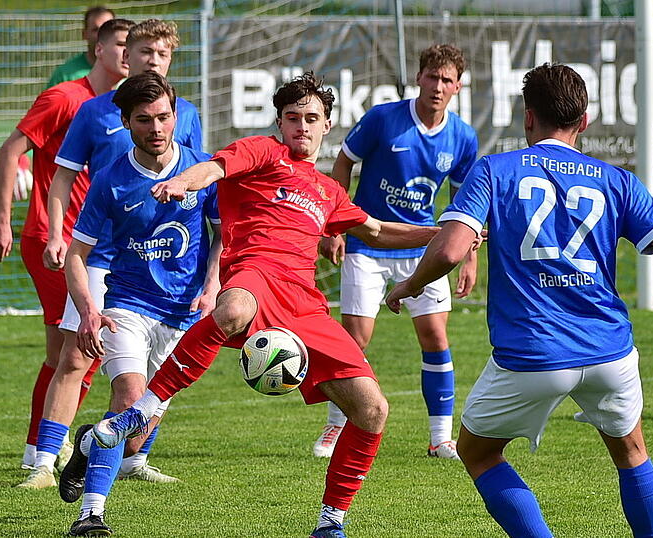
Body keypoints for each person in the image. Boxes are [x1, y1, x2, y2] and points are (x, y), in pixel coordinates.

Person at [385, 63, 653, 538]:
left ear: (528, 117)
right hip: (609, 351)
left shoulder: (495, 170)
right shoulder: (616, 180)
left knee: (477, 452)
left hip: (532, 354)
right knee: (631, 451)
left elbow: (452, 248)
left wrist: (408, 286)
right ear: (584, 120)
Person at [90, 72, 447, 538]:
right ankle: (140, 411)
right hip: (254, 276)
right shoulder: (262, 153)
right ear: (280, 122)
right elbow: (215, 168)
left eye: (311, 118)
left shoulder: (329, 191)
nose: (302, 126)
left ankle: (331, 522)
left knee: (373, 410)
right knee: (233, 308)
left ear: (327, 125)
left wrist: (445, 233)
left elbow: (376, 231)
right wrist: (185, 182)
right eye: (293, 118)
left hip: (305, 304)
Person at [18, 18, 203, 490]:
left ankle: (131, 459)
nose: (151, 60)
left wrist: (206, 275)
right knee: (77, 355)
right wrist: (58, 233)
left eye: (162, 54)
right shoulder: (93, 110)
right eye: (142, 51)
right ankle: (42, 461)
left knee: (162, 375)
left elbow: (198, 187)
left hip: (159, 263)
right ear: (126, 53)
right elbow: (62, 176)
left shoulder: (190, 115)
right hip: (100, 254)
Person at [57, 73, 221, 536]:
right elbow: (77, 253)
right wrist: (89, 311)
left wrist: (211, 286)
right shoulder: (110, 180)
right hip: (127, 305)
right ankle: (91, 514)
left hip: (184, 315)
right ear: (126, 123)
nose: (156, 128)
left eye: (164, 117)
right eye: (144, 120)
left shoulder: (200, 170)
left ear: (176, 116)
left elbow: (223, 235)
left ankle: (89, 444)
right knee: (129, 397)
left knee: (136, 433)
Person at [315, 44, 479, 460]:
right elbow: (343, 164)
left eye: (446, 80)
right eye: (431, 77)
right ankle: (336, 426)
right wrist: (335, 224)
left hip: (422, 246)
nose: (437, 86)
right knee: (356, 338)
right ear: (418, 78)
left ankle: (441, 437)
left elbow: (464, 203)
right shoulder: (383, 119)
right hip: (367, 243)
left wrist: (469, 256)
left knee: (435, 335)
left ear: (458, 87)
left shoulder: (462, 137)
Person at [0, 17, 130, 477]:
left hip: (92, 246)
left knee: (71, 352)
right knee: (78, 349)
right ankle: (44, 449)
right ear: (98, 49)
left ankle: (43, 447)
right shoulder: (66, 98)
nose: (131, 54)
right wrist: (3, 221)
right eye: (123, 44)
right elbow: (11, 151)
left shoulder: (122, 110)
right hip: (55, 242)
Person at [47, 6, 116, 88]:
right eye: (95, 30)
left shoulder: (125, 74)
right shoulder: (65, 75)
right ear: (84, 34)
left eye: (107, 29)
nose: (101, 34)